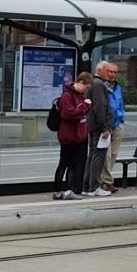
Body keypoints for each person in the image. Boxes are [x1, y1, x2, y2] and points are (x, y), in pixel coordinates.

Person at [52, 71, 94, 200]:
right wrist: (85, 106)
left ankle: (69, 189)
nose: (85, 91)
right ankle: (60, 190)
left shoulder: (78, 95)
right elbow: (67, 114)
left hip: (77, 134)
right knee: (65, 163)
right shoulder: (67, 95)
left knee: (72, 164)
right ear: (81, 83)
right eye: (86, 87)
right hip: (69, 135)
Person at [83, 63, 116, 197]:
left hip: (93, 125)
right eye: (107, 71)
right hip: (98, 127)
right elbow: (100, 106)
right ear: (100, 71)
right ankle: (94, 187)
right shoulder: (99, 84)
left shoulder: (94, 83)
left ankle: (87, 186)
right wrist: (105, 127)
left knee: (93, 155)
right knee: (98, 156)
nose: (110, 74)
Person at [96, 61, 127, 193]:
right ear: (102, 71)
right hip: (106, 125)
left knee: (113, 154)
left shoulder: (117, 87)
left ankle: (105, 181)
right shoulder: (100, 86)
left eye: (115, 72)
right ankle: (106, 182)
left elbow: (120, 103)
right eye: (110, 71)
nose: (113, 74)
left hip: (118, 123)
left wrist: (121, 118)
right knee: (106, 155)